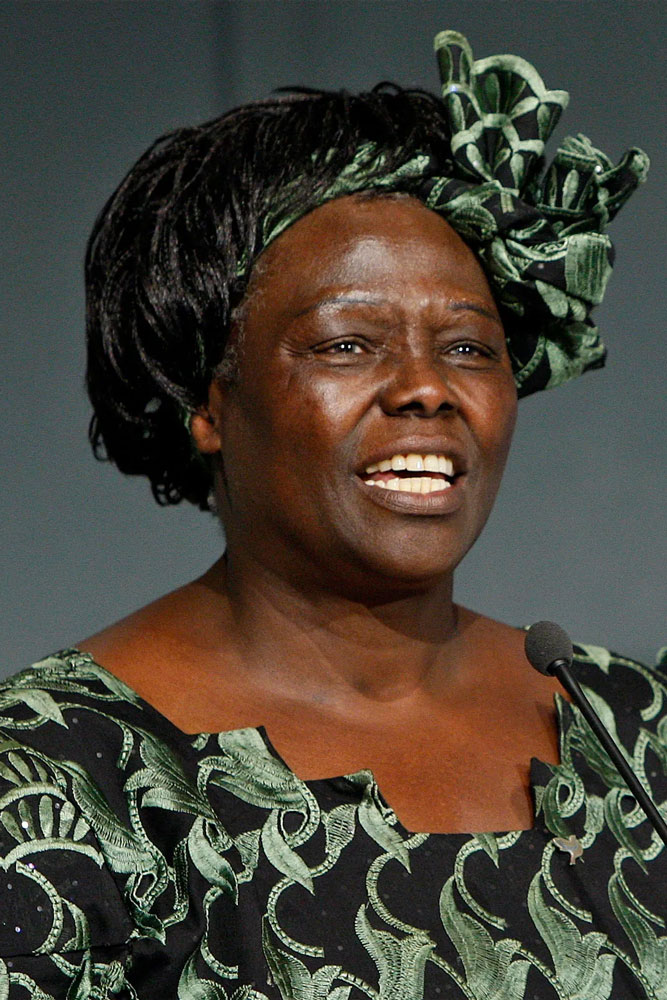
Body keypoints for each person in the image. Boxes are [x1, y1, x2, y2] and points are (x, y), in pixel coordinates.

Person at [0, 29, 663, 1000]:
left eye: (470, 349)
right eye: (348, 345)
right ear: (208, 399)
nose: (427, 389)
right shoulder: (59, 778)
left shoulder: (634, 729)